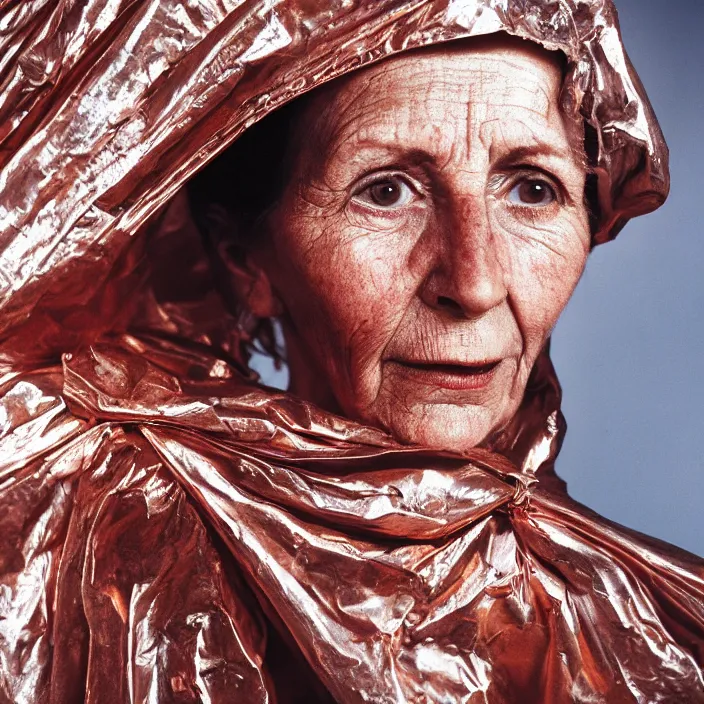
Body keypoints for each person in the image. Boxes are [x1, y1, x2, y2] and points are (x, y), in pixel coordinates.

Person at [0, 1, 702, 703]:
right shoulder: (86, 559)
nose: (475, 281)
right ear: (246, 258)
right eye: (387, 190)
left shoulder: (660, 639)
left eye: (531, 188)